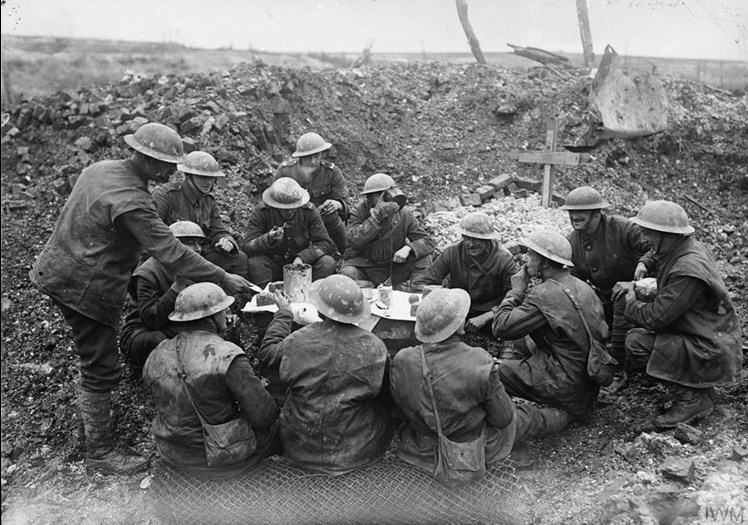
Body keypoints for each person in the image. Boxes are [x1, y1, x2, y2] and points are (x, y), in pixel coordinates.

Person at [29, 122, 254, 475]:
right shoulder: (134, 200)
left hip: (59, 265)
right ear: (147, 159)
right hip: (85, 285)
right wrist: (223, 276)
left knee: (93, 359)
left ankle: (89, 433)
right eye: (166, 164)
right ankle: (99, 454)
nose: (171, 171)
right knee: (102, 366)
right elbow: (170, 252)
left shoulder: (101, 169)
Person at [390, 288, 580, 479]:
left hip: (419, 445)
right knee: (527, 417)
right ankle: (572, 414)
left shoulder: (401, 359)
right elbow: (503, 418)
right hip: (468, 447)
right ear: (458, 327)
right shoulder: (478, 360)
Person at [612, 200, 743, 429]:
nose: (643, 239)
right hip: (709, 337)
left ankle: (692, 400)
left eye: (647, 233)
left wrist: (630, 299)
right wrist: (645, 264)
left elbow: (655, 317)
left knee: (636, 342)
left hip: (709, 349)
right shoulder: (687, 247)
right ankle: (699, 390)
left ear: (666, 234)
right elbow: (660, 259)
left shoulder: (688, 269)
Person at [258, 274, 394, 475]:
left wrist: (284, 313)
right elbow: (387, 398)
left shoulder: (298, 339)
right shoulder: (375, 347)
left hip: (298, 444)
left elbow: (267, 355)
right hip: (355, 451)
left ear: (320, 310)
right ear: (357, 312)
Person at [143, 283, 279, 479]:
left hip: (175, 454)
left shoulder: (158, 352)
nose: (227, 313)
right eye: (224, 310)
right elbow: (264, 415)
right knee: (279, 424)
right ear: (213, 317)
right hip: (221, 458)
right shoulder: (227, 355)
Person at [492, 230, 608, 430]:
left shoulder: (543, 293)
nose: (525, 259)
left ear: (544, 263)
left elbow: (500, 327)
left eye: (530, 254)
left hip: (563, 382)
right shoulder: (582, 286)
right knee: (523, 341)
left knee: (489, 373)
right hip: (588, 380)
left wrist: (516, 290)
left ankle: (506, 422)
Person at [561, 186, 652, 394]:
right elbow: (573, 278)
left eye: (580, 212)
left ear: (596, 212)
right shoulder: (573, 241)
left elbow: (656, 249)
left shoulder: (623, 228)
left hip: (643, 293)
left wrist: (638, 277)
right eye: (570, 212)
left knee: (621, 297)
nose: (574, 216)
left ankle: (618, 370)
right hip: (607, 298)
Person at [119, 221, 209, 376]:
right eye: (190, 243)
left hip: (178, 325)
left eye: (199, 243)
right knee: (159, 341)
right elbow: (150, 320)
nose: (198, 249)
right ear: (172, 246)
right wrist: (177, 288)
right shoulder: (148, 273)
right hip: (143, 331)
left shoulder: (193, 266)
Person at [412, 211, 516, 334]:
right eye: (466, 238)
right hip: (457, 309)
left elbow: (515, 296)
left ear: (488, 239)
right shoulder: (452, 252)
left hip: (492, 313)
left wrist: (489, 315)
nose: (470, 244)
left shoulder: (503, 258)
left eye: (476, 239)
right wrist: (439, 297)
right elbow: (423, 281)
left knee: (513, 322)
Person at [152, 150, 249, 276]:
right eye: (202, 177)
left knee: (239, 259)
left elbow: (217, 230)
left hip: (199, 254)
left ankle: (237, 295)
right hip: (173, 257)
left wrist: (226, 240)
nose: (208, 182)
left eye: (211, 177)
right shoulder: (165, 195)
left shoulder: (208, 201)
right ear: (188, 176)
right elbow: (151, 232)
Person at [340, 173, 436, 288]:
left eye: (389, 194)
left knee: (424, 257)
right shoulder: (359, 211)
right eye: (381, 195)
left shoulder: (404, 213)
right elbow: (352, 240)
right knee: (347, 273)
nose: (387, 198)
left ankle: (417, 291)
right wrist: (376, 217)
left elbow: (427, 241)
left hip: (393, 267)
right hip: (365, 267)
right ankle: (365, 292)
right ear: (369, 197)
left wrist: (408, 248)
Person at [241, 177, 337, 289]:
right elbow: (247, 247)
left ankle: (313, 298)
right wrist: (268, 238)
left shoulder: (308, 211)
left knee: (327, 262)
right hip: (273, 265)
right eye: (285, 208)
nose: (290, 212)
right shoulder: (262, 212)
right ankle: (267, 299)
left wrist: (302, 258)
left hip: (301, 267)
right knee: (255, 263)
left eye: (293, 207)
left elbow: (325, 243)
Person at [273, 132, 351, 254]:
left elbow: (347, 205)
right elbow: (272, 202)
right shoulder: (285, 171)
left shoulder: (331, 172)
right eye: (308, 157)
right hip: (292, 221)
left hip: (323, 223)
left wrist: (337, 204)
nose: (313, 161)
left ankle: (346, 254)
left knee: (332, 217)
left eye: (317, 156)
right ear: (300, 157)